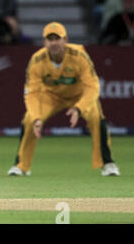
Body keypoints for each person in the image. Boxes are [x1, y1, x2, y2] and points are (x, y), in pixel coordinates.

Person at [8, 22, 120, 177]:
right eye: (50, 39)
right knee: (29, 120)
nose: (54, 43)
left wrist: (78, 108)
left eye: (57, 38)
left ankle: (107, 163)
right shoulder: (37, 60)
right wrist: (37, 118)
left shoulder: (79, 55)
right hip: (50, 97)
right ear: (44, 42)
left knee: (96, 117)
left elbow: (92, 87)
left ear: (65, 39)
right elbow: (32, 93)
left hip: (78, 96)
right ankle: (21, 165)